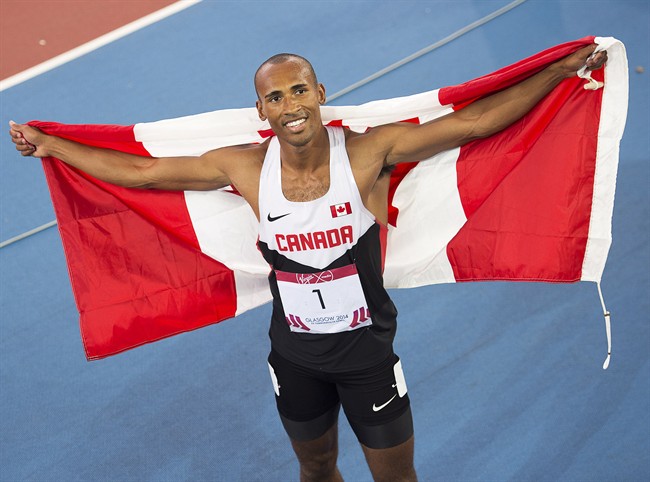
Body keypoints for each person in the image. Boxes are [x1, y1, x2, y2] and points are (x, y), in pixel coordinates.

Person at [10, 45, 606, 482]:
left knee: (397, 478)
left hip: (368, 358)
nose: (290, 105)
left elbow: (474, 123)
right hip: (294, 357)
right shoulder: (243, 166)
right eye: (276, 96)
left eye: (300, 90)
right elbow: (145, 173)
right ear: (261, 110)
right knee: (316, 469)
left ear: (320, 95)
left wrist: (557, 71)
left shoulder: (371, 152)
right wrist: (55, 145)